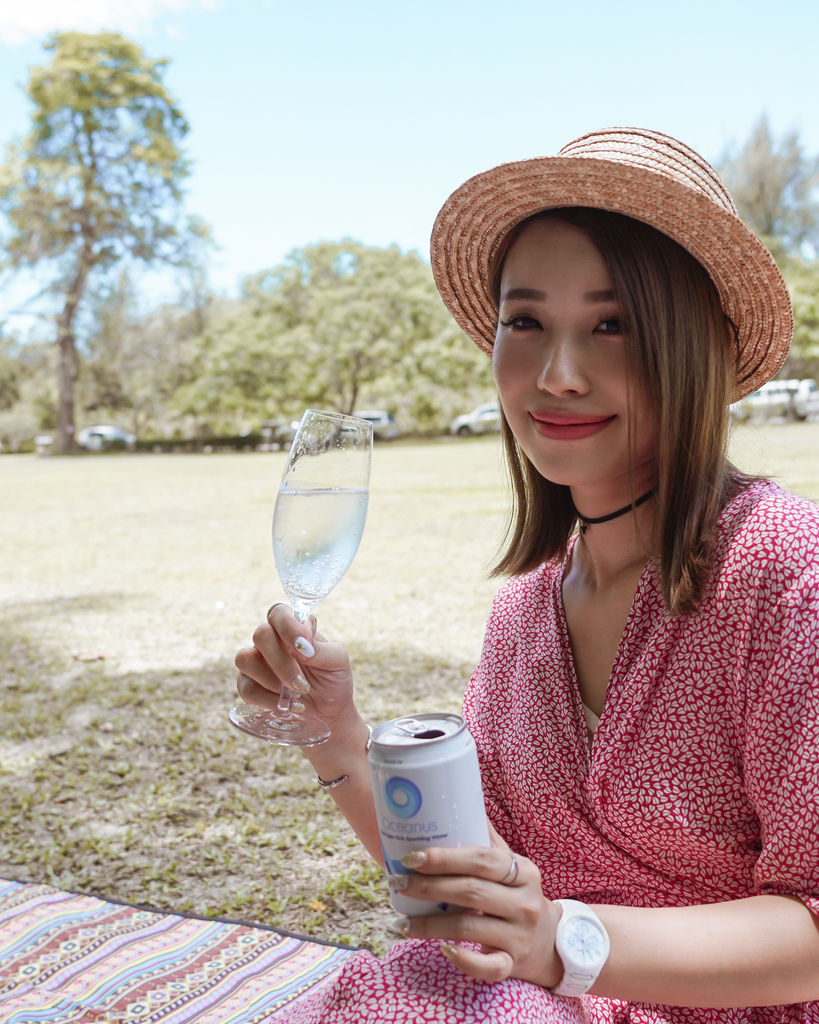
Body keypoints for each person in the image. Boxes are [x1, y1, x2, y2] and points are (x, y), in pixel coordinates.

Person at [234, 128, 819, 1023]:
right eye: (526, 322)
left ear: (692, 346)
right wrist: (335, 734)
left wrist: (565, 945)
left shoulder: (783, 572)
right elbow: (471, 881)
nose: (557, 374)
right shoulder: (523, 611)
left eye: (611, 324)